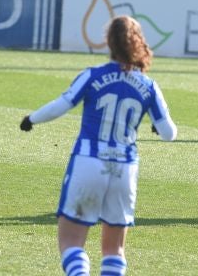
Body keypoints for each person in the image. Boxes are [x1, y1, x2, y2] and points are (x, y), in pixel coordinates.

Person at [19, 15, 177, 276]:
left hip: (89, 162)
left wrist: (31, 119)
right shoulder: (149, 85)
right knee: (114, 250)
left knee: (71, 241)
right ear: (138, 43)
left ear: (108, 42)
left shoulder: (92, 75)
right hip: (124, 169)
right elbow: (169, 133)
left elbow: (62, 105)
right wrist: (155, 125)